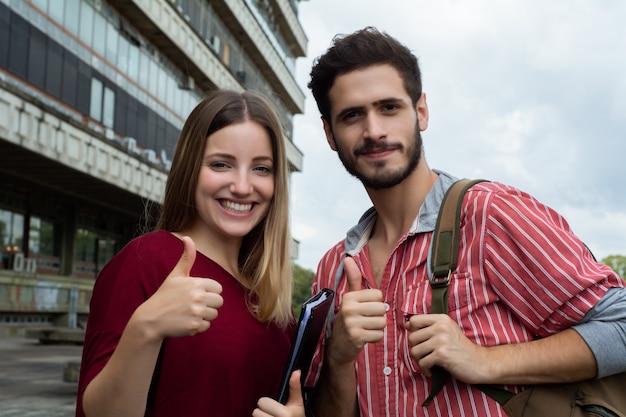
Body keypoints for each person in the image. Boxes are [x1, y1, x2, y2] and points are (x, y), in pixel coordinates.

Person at [304, 27, 626, 417]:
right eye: (353, 115)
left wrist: (484, 360)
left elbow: (620, 326)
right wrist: (338, 359)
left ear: (421, 111)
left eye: (389, 107)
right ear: (329, 133)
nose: (374, 130)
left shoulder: (489, 214)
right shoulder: (333, 270)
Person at [75, 90, 305, 417]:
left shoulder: (273, 302)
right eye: (221, 164)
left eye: (261, 169)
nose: (242, 186)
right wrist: (145, 328)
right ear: (190, 169)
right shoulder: (148, 260)